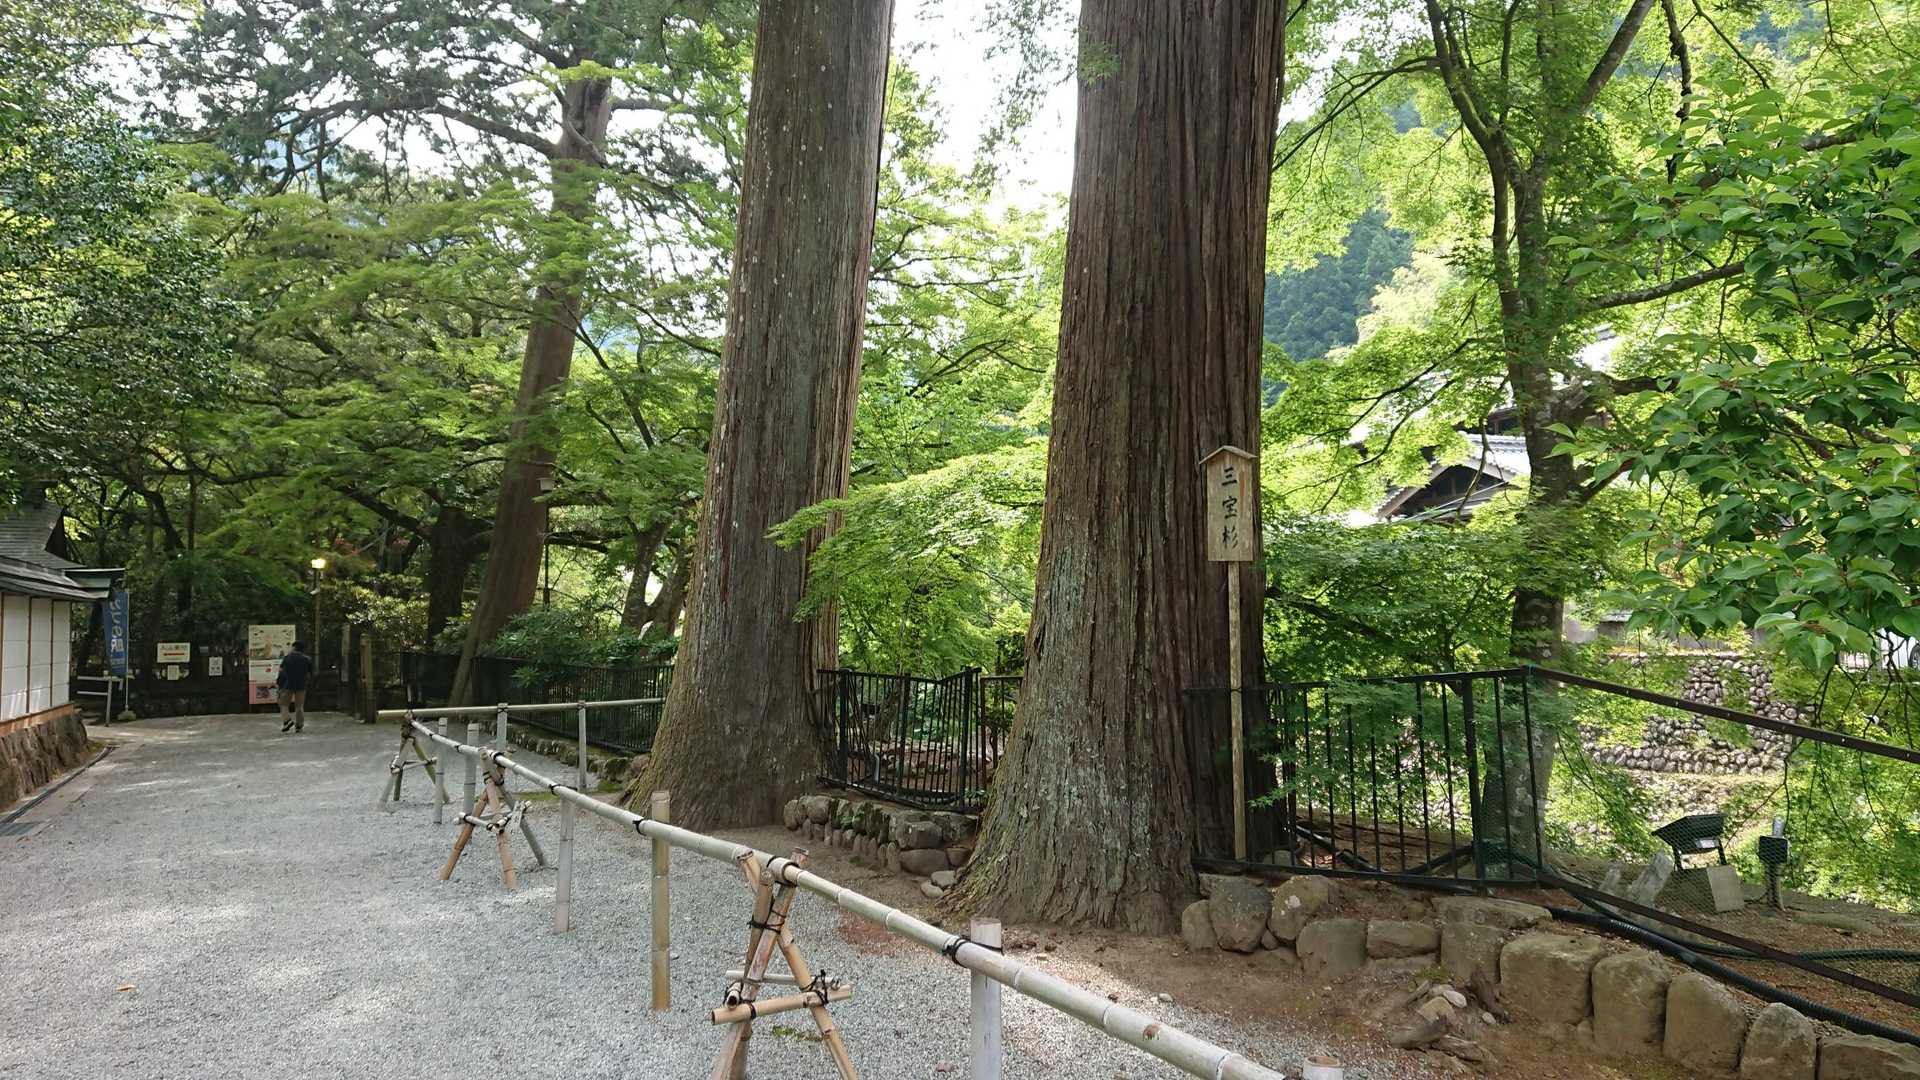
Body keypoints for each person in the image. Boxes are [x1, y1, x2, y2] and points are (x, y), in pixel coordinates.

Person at [277, 641, 315, 733]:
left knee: (283, 704)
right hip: (301, 685)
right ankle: (299, 726)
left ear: (294, 648)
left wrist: (279, 683)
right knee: (299, 706)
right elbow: (310, 673)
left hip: (288, 684)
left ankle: (287, 720)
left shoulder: (287, 658)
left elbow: (281, 671)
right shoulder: (307, 659)